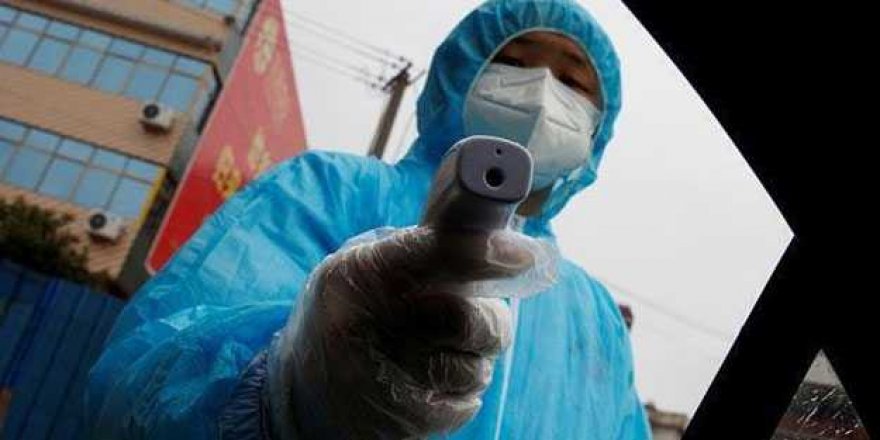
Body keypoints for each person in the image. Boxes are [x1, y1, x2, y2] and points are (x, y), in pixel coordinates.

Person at [85, 0, 652, 438]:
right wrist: (302, 390)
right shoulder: (326, 189)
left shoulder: (596, 319)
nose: (541, 91)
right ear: (460, 75)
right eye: (514, 61)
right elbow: (144, 387)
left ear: (598, 129)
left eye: (572, 81)